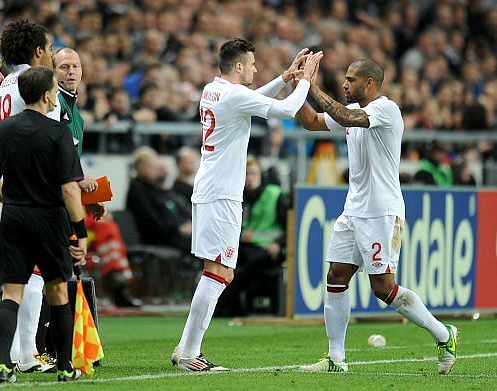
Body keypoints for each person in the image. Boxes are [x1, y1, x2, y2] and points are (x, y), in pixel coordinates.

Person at [295, 58, 458, 374]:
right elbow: (312, 122)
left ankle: (444, 333)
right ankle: (335, 359)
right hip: (353, 210)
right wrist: (297, 87)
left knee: (383, 288)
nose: (344, 84)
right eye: (344, 79)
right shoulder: (353, 113)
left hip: (382, 212)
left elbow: (345, 115)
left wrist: (312, 85)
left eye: (350, 79)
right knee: (337, 276)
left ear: (370, 83)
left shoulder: (386, 109)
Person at [170, 38, 321, 371]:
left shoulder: (215, 89)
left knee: (217, 270)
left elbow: (251, 100)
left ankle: (185, 348)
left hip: (212, 189)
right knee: (219, 271)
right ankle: (190, 354)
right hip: (221, 193)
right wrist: (306, 80)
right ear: (238, 67)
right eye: (252, 64)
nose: (255, 68)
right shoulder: (232, 95)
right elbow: (285, 110)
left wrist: (284, 79)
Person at [0, 20, 100, 373]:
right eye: (52, 50)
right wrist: (79, 209)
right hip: (45, 195)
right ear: (39, 51)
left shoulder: (5, 86)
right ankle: (41, 356)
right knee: (49, 280)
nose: (55, 57)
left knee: (15, 285)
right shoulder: (44, 91)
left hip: (15, 193)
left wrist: (4, 196)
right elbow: (62, 155)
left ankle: (15, 356)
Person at [0, 66, 87, 383]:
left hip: (14, 216)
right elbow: (70, 188)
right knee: (58, 290)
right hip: (49, 218)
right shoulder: (58, 132)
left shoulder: (4, 129)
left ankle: (4, 365)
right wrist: (80, 232)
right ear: (46, 95)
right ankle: (66, 366)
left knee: (11, 292)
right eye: (55, 91)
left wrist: (11, 201)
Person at [216, 157, 288, 317]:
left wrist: (278, 244)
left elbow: (289, 226)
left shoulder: (275, 195)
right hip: (246, 247)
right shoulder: (239, 196)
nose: (249, 178)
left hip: (270, 249)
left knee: (245, 267)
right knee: (224, 261)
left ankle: (221, 305)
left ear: (260, 175)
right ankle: (232, 307)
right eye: (246, 174)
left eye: (253, 174)